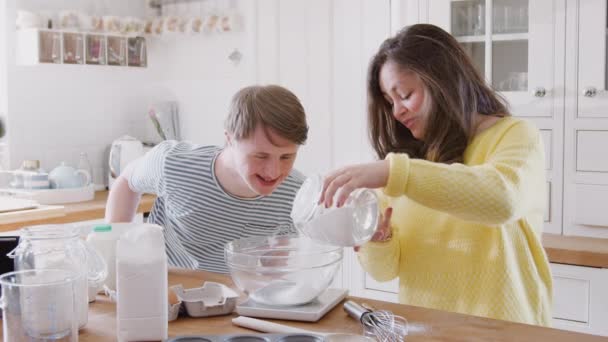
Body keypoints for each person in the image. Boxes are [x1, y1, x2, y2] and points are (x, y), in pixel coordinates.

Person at [319, 24, 552, 326]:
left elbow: (501, 199)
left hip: (506, 330)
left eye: (404, 95)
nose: (396, 112)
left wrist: (393, 172)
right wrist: (379, 238)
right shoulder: (405, 166)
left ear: (443, 79)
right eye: (390, 102)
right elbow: (385, 271)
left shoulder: (514, 136)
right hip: (428, 329)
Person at [105, 85, 309, 273]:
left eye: (286, 157)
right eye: (260, 156)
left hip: (232, 298)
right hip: (166, 290)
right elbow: (126, 181)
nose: (274, 172)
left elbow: (272, 273)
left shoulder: (296, 192)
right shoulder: (173, 163)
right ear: (230, 138)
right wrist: (114, 252)